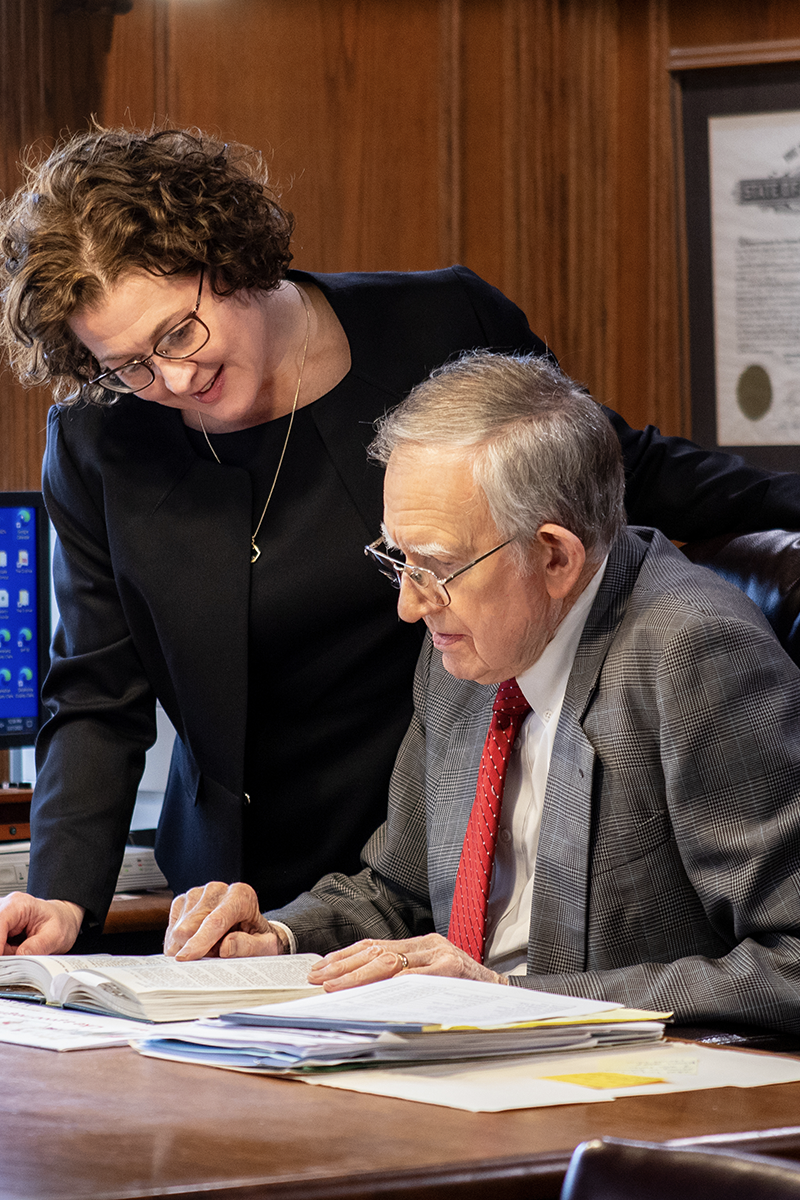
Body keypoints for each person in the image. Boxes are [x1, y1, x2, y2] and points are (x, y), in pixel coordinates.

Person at [2, 125, 800, 959]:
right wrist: (57, 895)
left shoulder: (435, 324)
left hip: (435, 841)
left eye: (176, 334)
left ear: (230, 256)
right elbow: (96, 691)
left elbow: (607, 465)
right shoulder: (102, 439)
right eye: (125, 364)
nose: (169, 380)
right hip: (249, 896)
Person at [165, 353, 800, 1033]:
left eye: (436, 566)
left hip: (627, 1092)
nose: (410, 605)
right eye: (397, 559)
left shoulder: (694, 653)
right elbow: (397, 890)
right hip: (453, 1059)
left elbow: (790, 960)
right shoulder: (468, 641)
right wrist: (278, 938)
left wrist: (513, 998)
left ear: (555, 557)